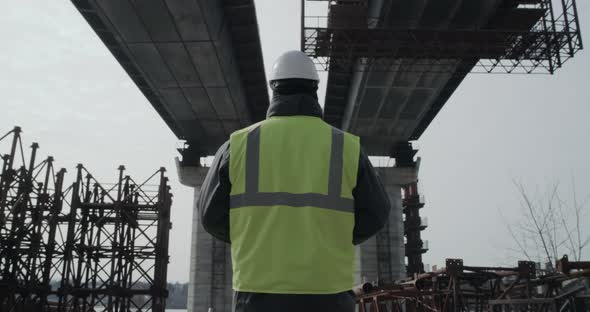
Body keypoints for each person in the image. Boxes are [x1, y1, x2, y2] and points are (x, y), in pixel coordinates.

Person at [197, 50, 391, 312]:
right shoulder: (345, 146)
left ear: (274, 89)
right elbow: (377, 213)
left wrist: (251, 236)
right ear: (315, 89)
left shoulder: (238, 145)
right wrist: (336, 236)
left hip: (257, 293)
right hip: (330, 292)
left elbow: (210, 215)